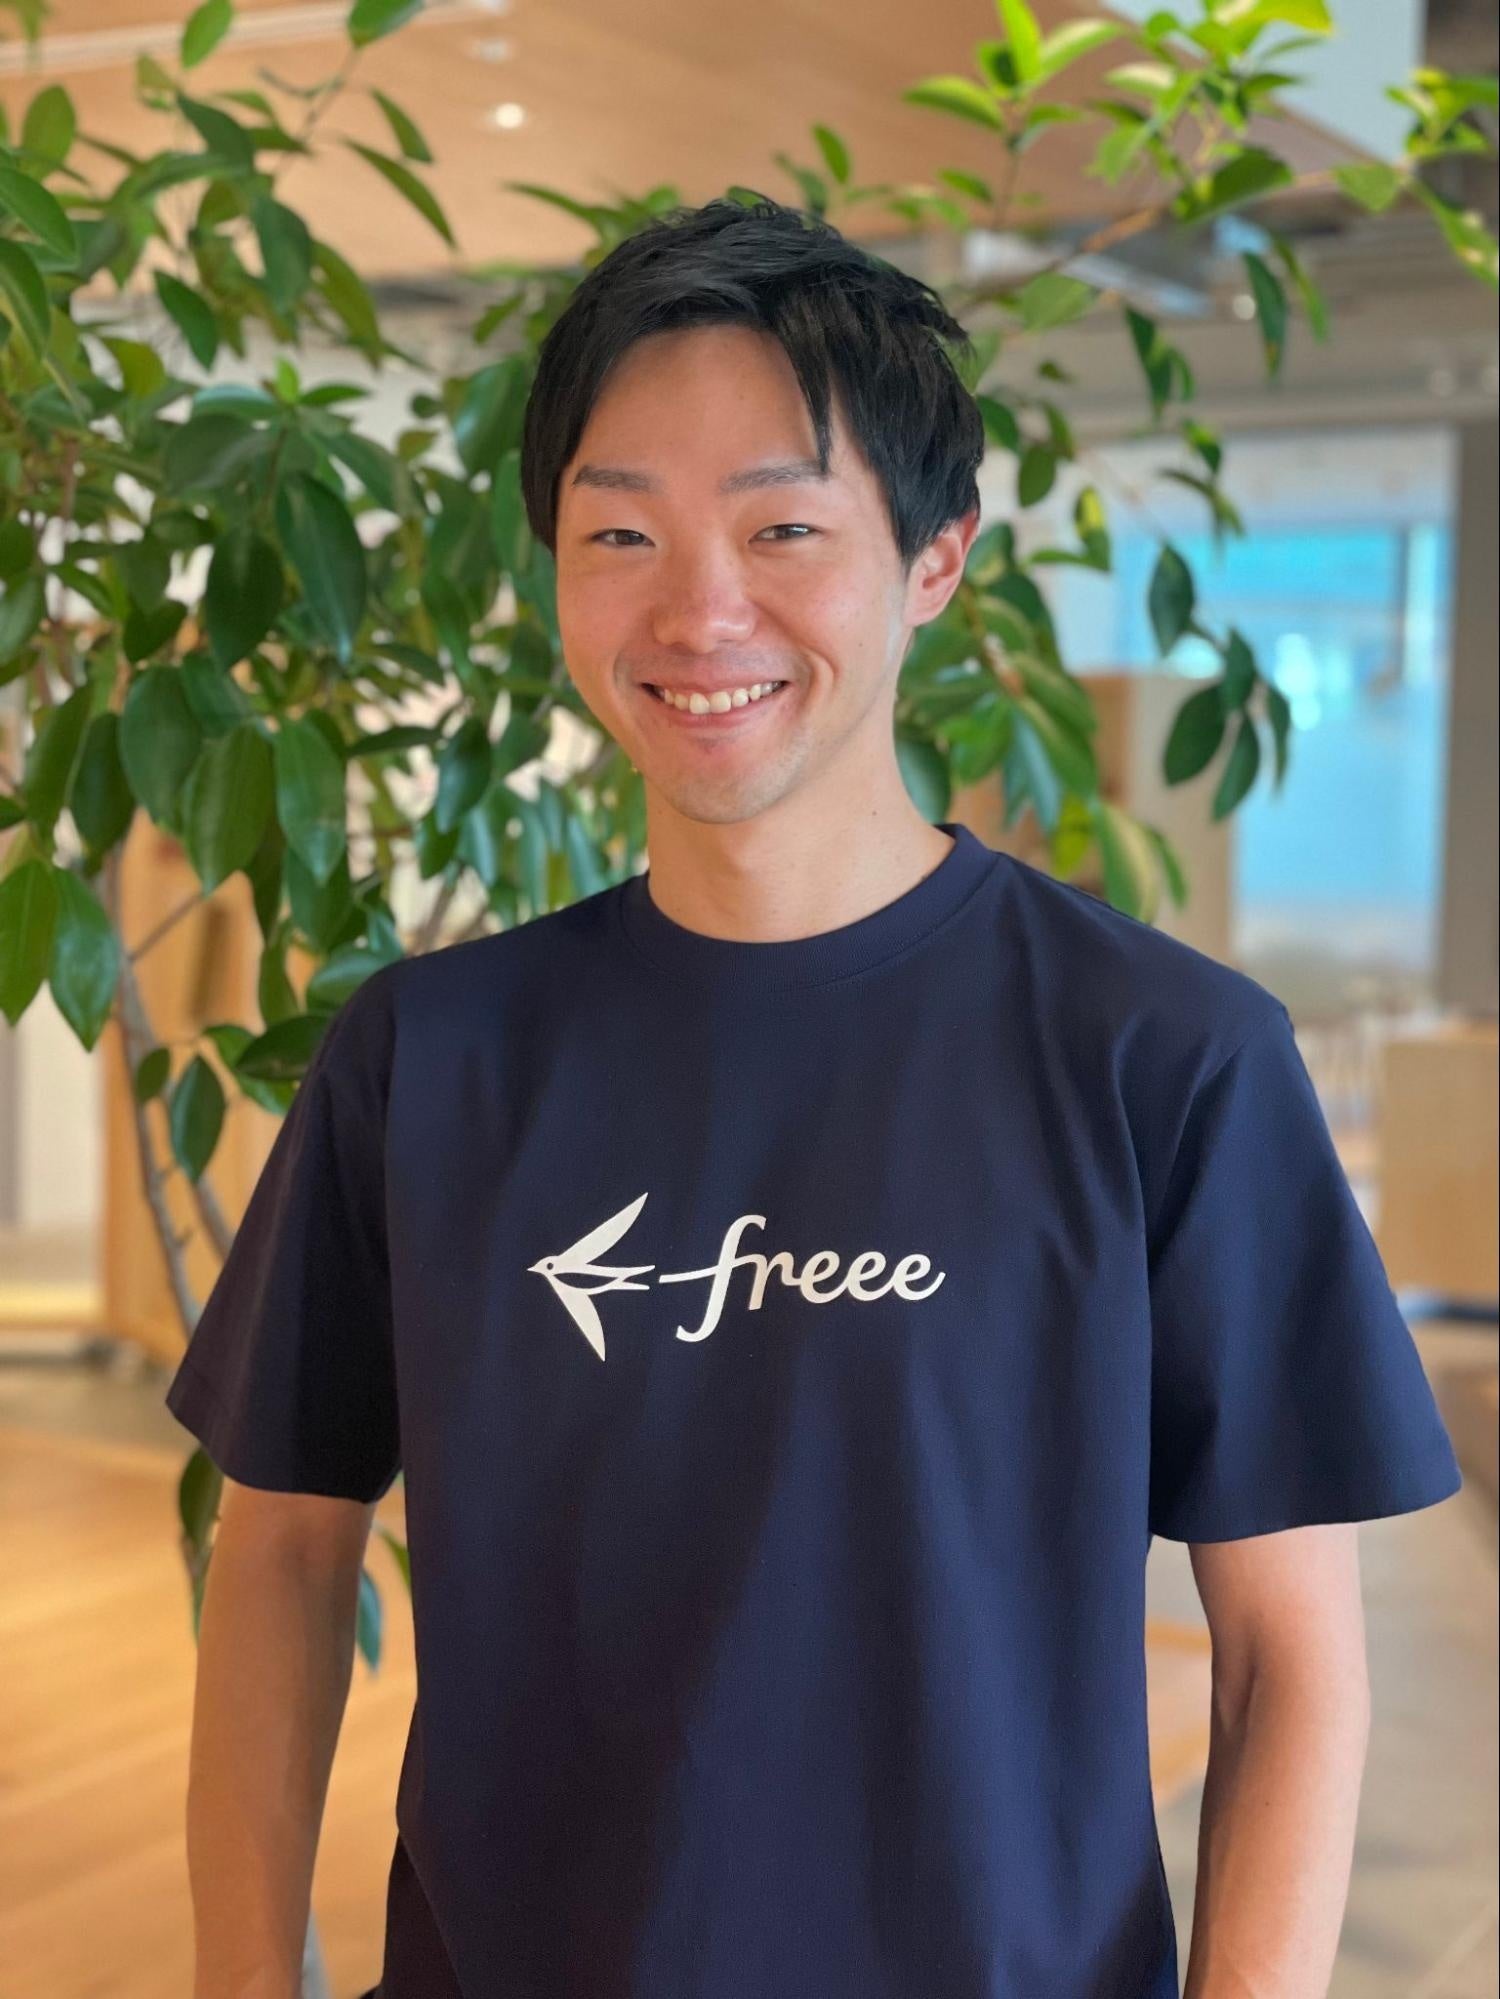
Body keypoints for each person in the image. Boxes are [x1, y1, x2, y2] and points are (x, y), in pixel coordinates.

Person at [166, 198, 1463, 1999]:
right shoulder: (431, 1056)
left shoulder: (1165, 1060)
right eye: (621, 533)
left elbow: (1291, 1660)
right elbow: (286, 1558)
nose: (700, 610)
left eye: (783, 527)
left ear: (934, 559)